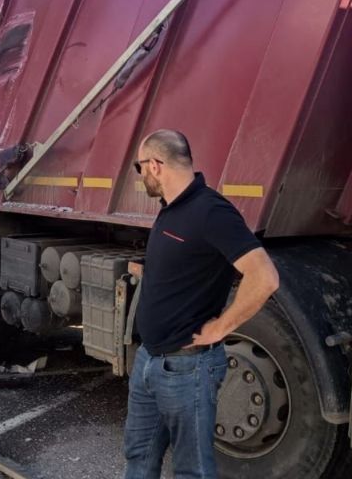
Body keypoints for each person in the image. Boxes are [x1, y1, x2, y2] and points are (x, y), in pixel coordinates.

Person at [124, 129, 280, 479]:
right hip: (149, 361)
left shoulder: (211, 211)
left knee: (192, 470)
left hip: (187, 369)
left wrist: (221, 328)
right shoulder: (171, 208)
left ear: (155, 165)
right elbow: (190, 262)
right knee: (138, 457)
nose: (141, 177)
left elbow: (265, 277)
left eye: (140, 168)